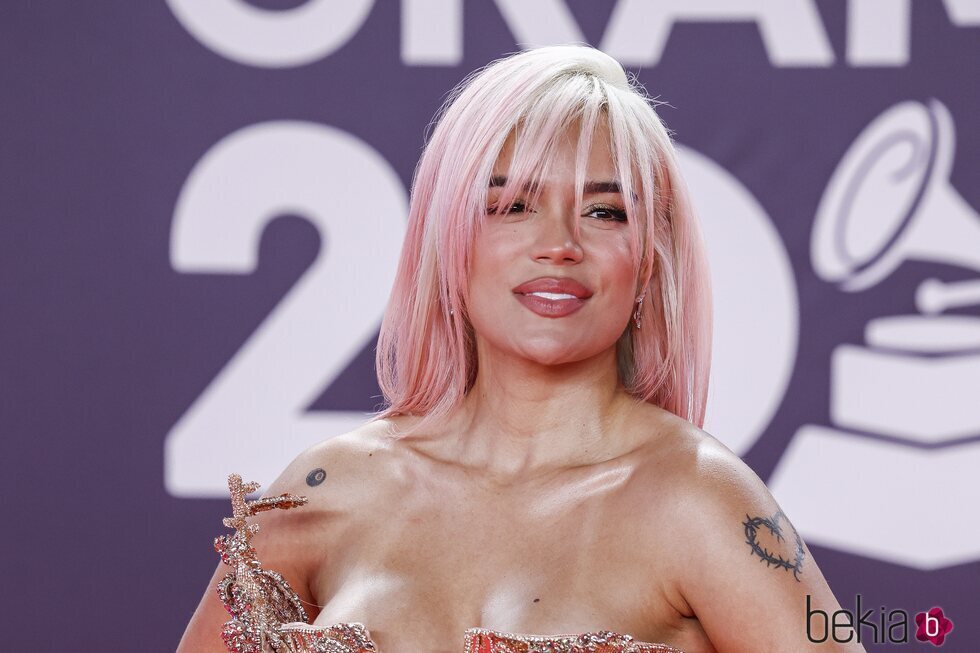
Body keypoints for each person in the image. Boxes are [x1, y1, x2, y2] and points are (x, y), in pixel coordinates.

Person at [178, 45, 864, 653]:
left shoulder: (697, 499)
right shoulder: (325, 489)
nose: (559, 244)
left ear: (648, 262)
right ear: (449, 239)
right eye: (512, 205)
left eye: (604, 211)